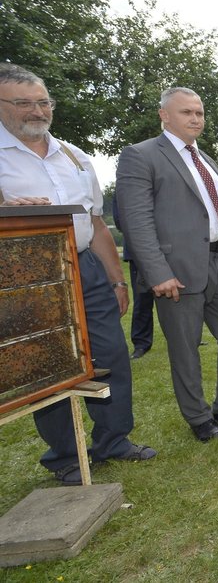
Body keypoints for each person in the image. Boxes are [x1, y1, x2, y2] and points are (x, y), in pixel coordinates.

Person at [0, 63, 156, 484]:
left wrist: (116, 279)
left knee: (111, 356)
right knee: (53, 363)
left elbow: (98, 223)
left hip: (85, 266)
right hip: (28, 277)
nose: (37, 111)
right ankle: (67, 456)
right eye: (23, 103)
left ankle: (114, 439)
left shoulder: (74, 156)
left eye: (43, 101)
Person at [115, 87, 218, 443]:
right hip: (177, 272)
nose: (195, 119)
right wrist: (158, 272)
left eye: (199, 112)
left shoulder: (206, 159)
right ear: (164, 115)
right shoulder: (141, 156)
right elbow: (137, 222)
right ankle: (198, 417)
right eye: (186, 112)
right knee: (185, 346)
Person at [111, 197, 156, 360]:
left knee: (177, 297)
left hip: (168, 248)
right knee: (142, 299)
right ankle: (141, 344)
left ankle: (187, 337)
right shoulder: (125, 186)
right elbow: (120, 221)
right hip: (139, 251)